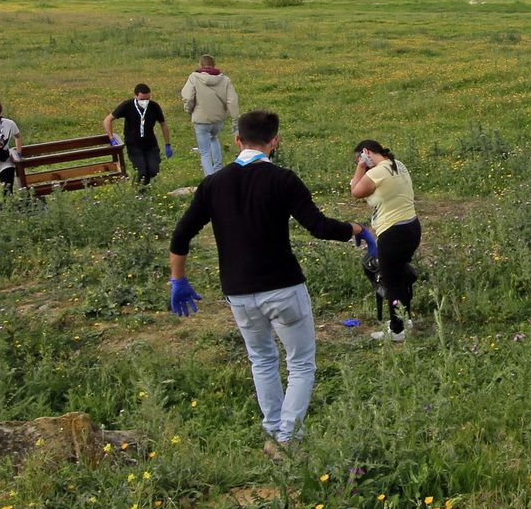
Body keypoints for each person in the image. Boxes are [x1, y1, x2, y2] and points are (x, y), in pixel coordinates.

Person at [168, 110, 374, 455]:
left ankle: (273, 428)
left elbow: (181, 235)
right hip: (282, 286)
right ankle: (288, 438)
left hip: (239, 291)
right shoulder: (283, 179)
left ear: (237, 142)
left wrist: (179, 280)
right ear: (274, 141)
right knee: (301, 363)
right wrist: (357, 229)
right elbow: (320, 227)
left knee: (261, 359)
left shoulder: (213, 184)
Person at [349, 140, 420, 341]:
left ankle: (397, 330)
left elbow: (356, 191)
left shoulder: (377, 171)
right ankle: (405, 319)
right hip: (411, 227)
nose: (360, 164)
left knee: (391, 281)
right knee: (398, 274)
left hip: (393, 232)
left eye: (359, 158)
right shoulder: (398, 164)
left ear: (366, 152)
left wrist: (360, 166)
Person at [180, 54, 239, 176]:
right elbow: (232, 100)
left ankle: (210, 177)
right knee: (214, 139)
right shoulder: (225, 80)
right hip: (217, 119)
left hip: (201, 118)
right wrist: (235, 119)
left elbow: (188, 97)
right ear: (214, 65)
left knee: (204, 152)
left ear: (200, 65)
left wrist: (188, 109)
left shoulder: (194, 78)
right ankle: (218, 169)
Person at [104, 83, 173, 187]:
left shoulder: (154, 106)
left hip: (150, 144)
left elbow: (163, 125)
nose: (145, 102)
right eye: (142, 99)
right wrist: (111, 138)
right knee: (142, 171)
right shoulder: (127, 105)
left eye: (147, 99)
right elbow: (107, 120)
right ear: (136, 96)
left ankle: (143, 188)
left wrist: (167, 144)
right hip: (134, 145)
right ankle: (137, 189)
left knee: (153, 170)